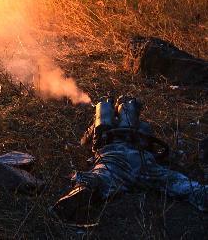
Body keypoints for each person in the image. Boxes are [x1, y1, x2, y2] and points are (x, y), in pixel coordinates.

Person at [52, 96, 206, 224]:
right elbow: (151, 144)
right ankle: (200, 193)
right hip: (142, 160)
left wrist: (94, 124)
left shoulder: (103, 126)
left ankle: (78, 194)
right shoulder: (142, 126)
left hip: (113, 158)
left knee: (98, 179)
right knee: (174, 181)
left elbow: (84, 142)